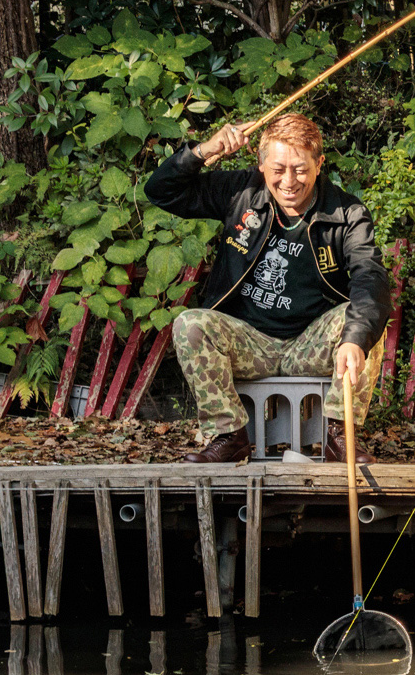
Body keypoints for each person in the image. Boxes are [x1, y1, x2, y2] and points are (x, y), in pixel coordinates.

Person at [144, 114, 390, 463]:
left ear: (320, 164)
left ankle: (339, 434)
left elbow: (370, 277)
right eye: (278, 169)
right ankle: (229, 436)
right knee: (190, 324)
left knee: (365, 322)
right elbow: (160, 191)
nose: (288, 181)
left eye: (300, 169)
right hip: (249, 342)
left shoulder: (347, 212)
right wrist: (204, 150)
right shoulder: (241, 192)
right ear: (261, 165)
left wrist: (354, 338)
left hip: (309, 344)